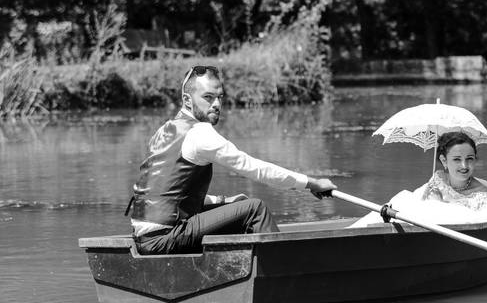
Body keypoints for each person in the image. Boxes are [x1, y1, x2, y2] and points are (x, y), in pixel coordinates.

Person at [126, 64, 337, 254]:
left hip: (146, 237)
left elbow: (170, 193)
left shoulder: (166, 130)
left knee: (240, 205)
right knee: (255, 209)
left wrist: (222, 201)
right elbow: (255, 168)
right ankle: (282, 271)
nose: (217, 104)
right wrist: (312, 183)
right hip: (164, 238)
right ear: (187, 100)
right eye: (208, 97)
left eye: (220, 97)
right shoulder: (200, 133)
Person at [350, 130, 487, 227]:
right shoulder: (438, 179)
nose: (464, 166)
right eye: (456, 159)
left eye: (470, 159)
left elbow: (476, 222)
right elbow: (427, 209)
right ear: (444, 161)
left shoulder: (483, 193)